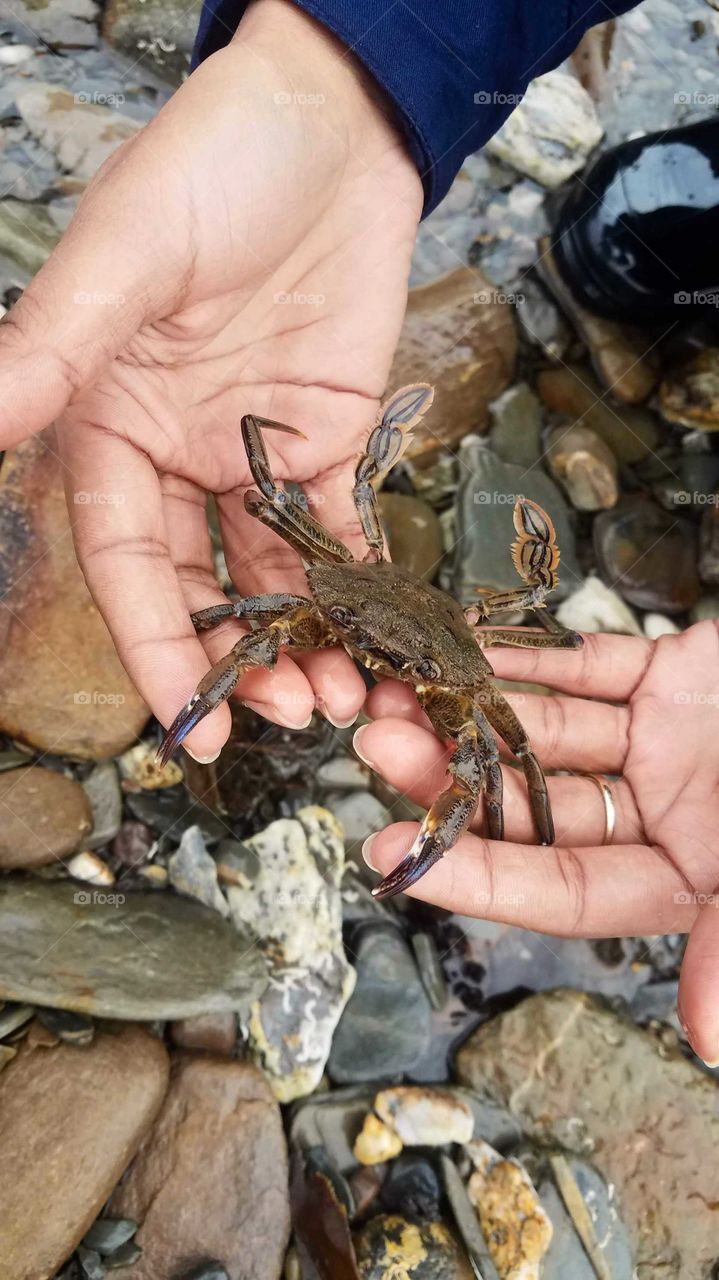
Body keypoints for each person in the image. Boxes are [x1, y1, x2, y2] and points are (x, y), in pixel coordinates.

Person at [1, 0, 717, 1063]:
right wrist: (345, 72)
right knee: (252, 623)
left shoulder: (455, 679)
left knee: (494, 753)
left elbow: (498, 746)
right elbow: (262, 498)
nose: (376, 666)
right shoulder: (323, 579)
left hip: (436, 635)